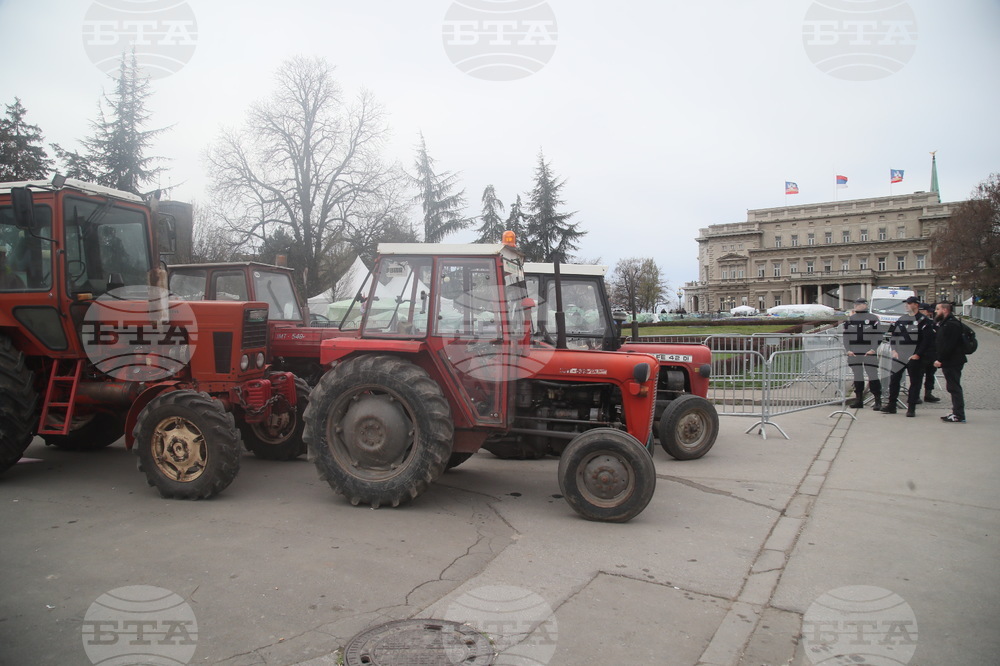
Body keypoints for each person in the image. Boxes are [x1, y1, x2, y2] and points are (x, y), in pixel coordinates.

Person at [882, 296, 932, 416]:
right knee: (894, 380)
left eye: (909, 304)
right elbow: (894, 336)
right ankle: (892, 405)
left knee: (915, 382)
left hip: (914, 356)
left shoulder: (923, 320)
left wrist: (918, 354)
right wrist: (894, 350)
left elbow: (927, 340)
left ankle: (911, 407)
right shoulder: (902, 319)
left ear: (916, 305)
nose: (906, 306)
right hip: (900, 355)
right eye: (906, 304)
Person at [842, 297, 883, 409]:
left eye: (858, 304)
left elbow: (878, 335)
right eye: (855, 304)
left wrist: (873, 349)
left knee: (873, 376)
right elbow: (846, 337)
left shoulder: (873, 318)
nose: (855, 306)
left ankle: (878, 400)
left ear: (865, 305)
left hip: (869, 352)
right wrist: (848, 350)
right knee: (858, 377)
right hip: (854, 353)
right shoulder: (851, 319)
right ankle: (858, 400)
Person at [933, 301, 966, 423]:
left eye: (938, 309)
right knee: (952, 387)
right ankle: (956, 412)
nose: (936, 311)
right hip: (951, 360)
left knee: (954, 387)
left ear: (945, 310)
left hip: (953, 361)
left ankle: (958, 414)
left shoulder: (951, 324)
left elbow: (949, 345)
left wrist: (940, 359)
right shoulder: (945, 323)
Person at [916, 302, 941, 403]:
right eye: (928, 311)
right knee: (918, 375)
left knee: (931, 374)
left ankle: (928, 393)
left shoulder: (933, 323)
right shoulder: (916, 322)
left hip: (932, 353)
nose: (930, 313)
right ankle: (916, 395)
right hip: (920, 353)